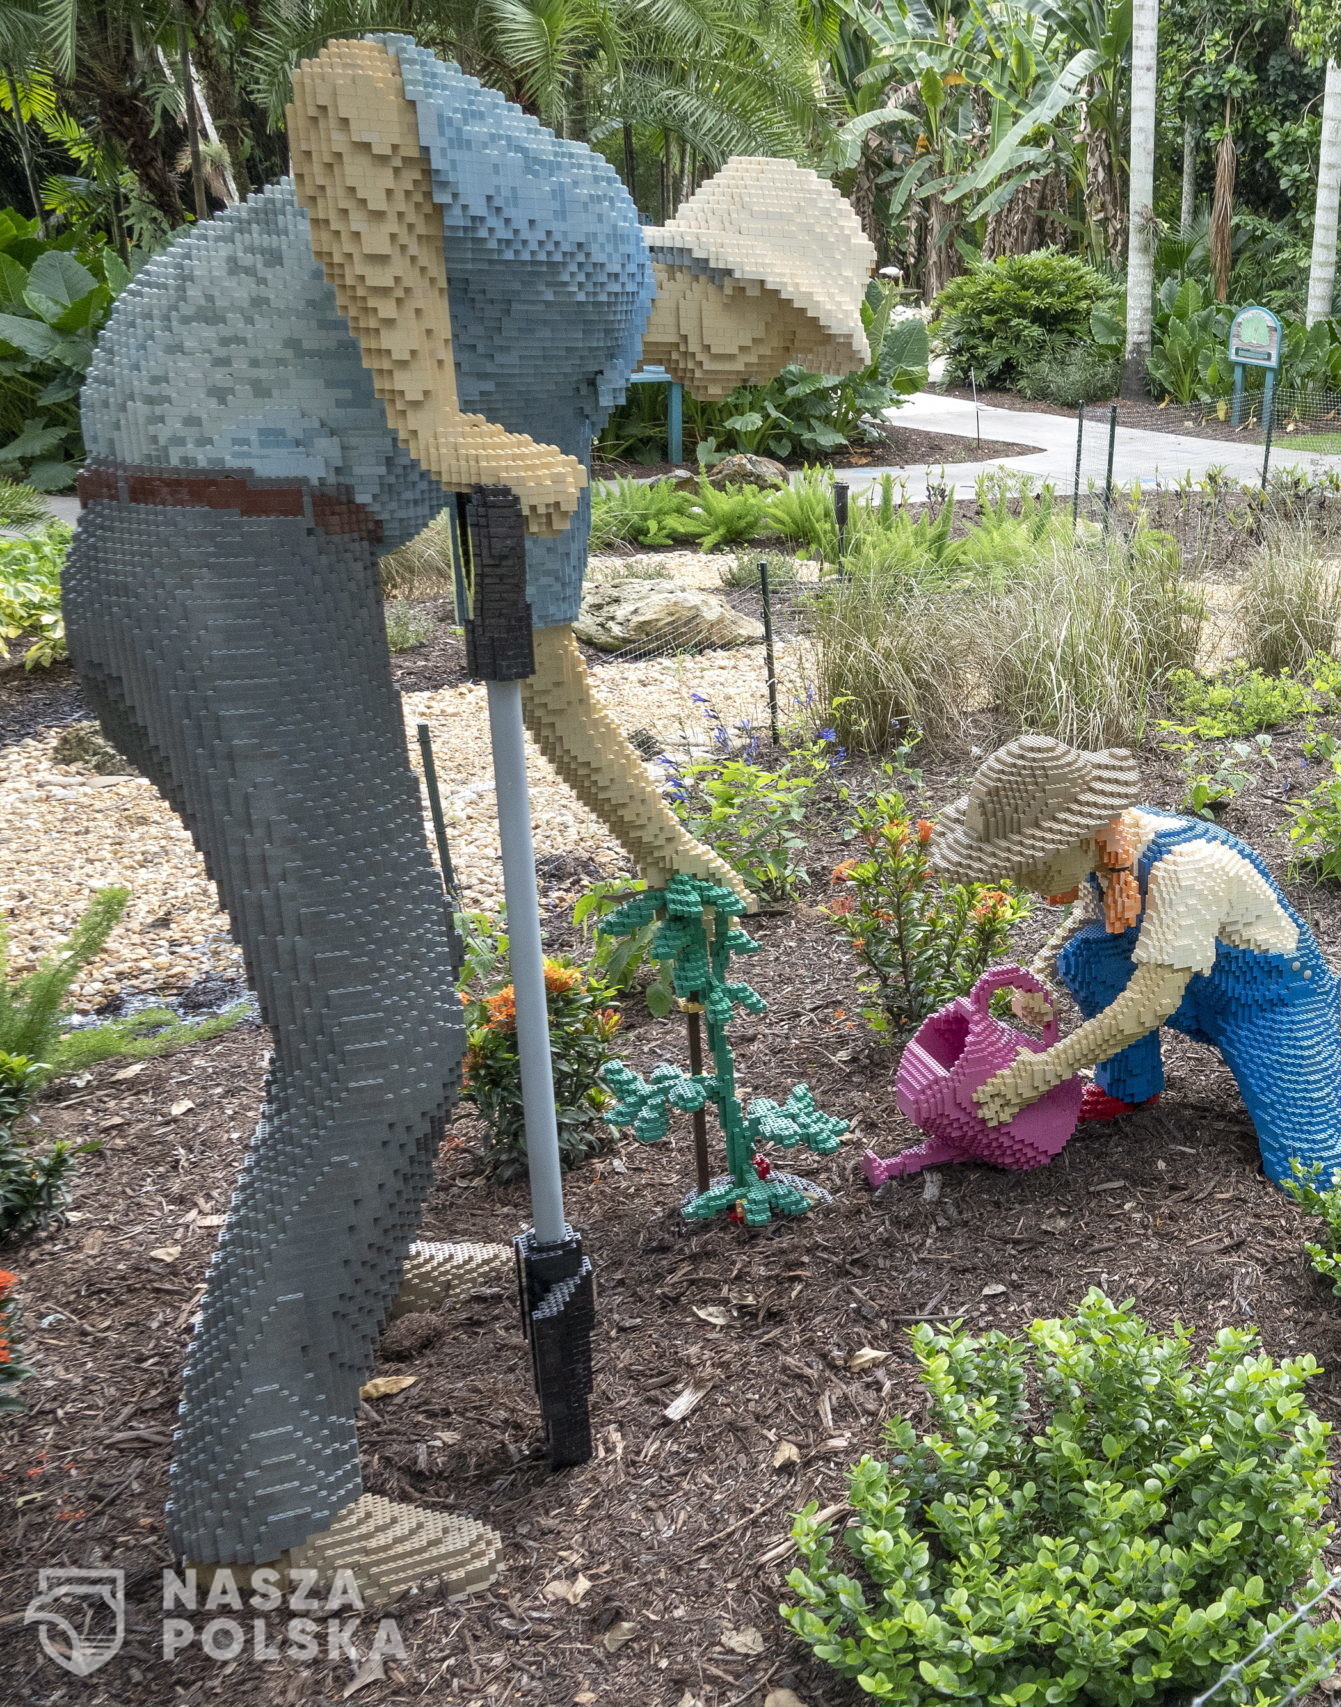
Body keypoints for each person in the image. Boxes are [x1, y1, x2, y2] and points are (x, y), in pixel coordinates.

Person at [69, 34, 873, 1603]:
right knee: (381, 1036)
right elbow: (350, 85)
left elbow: (552, 674)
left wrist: (673, 847)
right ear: (728, 285)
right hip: (216, 545)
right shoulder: (574, 219)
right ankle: (263, 1501)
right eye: (783, 343)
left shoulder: (565, 401)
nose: (765, 375)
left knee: (384, 979)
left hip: (248, 557)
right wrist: (435, 421)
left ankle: (344, 1286)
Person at [933, 736, 1341, 1187]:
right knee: (1085, 956)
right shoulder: (1113, 844)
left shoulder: (1185, 868)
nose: (1020, 880)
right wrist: (1041, 970)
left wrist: (1047, 1069)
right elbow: (1090, 916)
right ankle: (1128, 1084)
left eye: (1028, 863)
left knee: (1310, 1171)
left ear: (1077, 832)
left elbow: (1151, 1001)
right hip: (1196, 981)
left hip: (1270, 1001)